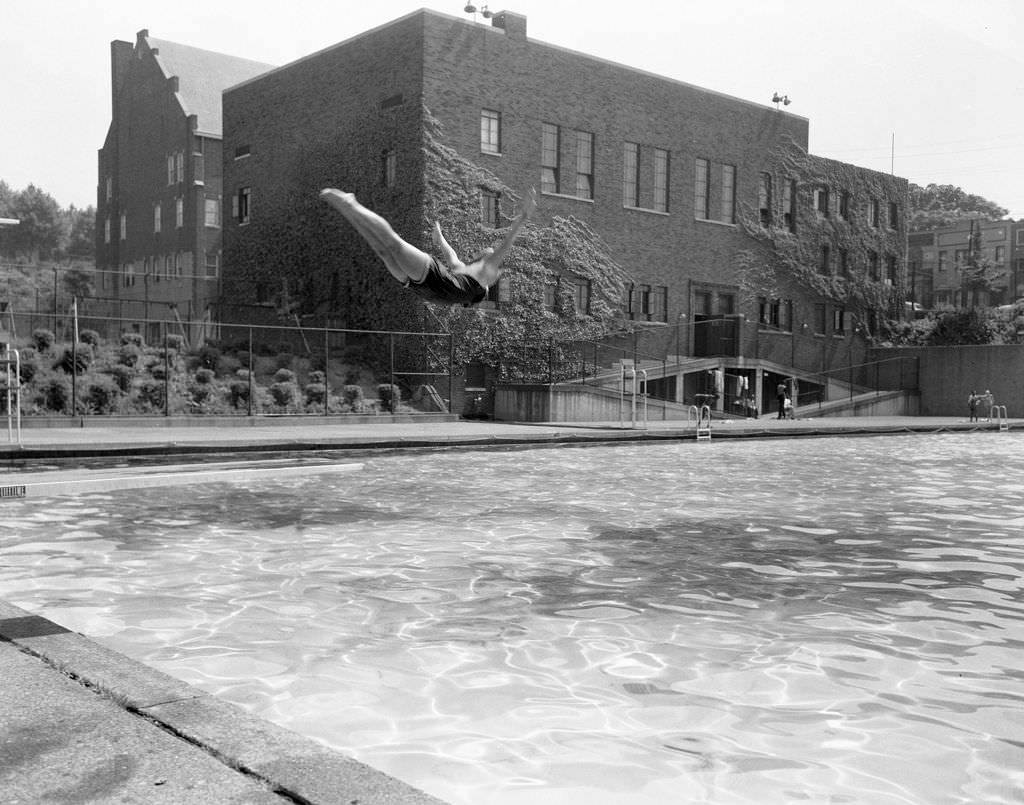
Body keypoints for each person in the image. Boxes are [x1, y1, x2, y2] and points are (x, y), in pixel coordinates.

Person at [320, 186, 537, 307]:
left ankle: (349, 212)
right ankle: (351, 204)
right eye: (491, 257)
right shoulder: (483, 269)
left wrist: (440, 238)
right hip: (433, 278)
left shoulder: (469, 274)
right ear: (485, 260)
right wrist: (523, 219)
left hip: (419, 287)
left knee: (383, 251)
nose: (498, 270)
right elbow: (506, 244)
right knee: (393, 245)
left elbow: (451, 256)